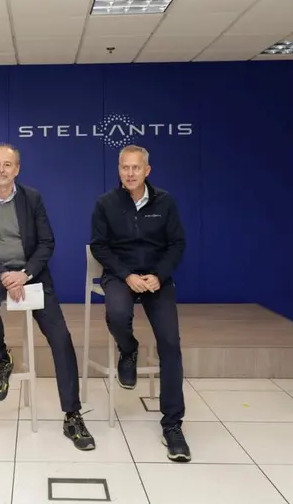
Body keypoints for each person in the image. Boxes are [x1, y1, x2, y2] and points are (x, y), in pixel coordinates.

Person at [0, 143, 95, 451]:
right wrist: (2, 273)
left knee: (60, 336)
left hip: (30, 276)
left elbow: (47, 243)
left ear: (17, 169)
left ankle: (72, 414)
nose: (2, 170)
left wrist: (24, 274)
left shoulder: (32, 198)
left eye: (8, 165)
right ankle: (2, 358)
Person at [89, 144, 191, 462]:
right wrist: (126, 275)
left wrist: (159, 276)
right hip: (121, 276)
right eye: (124, 167)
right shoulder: (106, 203)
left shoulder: (165, 201)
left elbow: (177, 244)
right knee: (118, 313)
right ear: (118, 169)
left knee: (170, 345)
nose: (130, 173)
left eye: (136, 168)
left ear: (147, 170)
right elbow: (99, 246)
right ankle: (129, 349)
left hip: (157, 279)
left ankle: (172, 425)